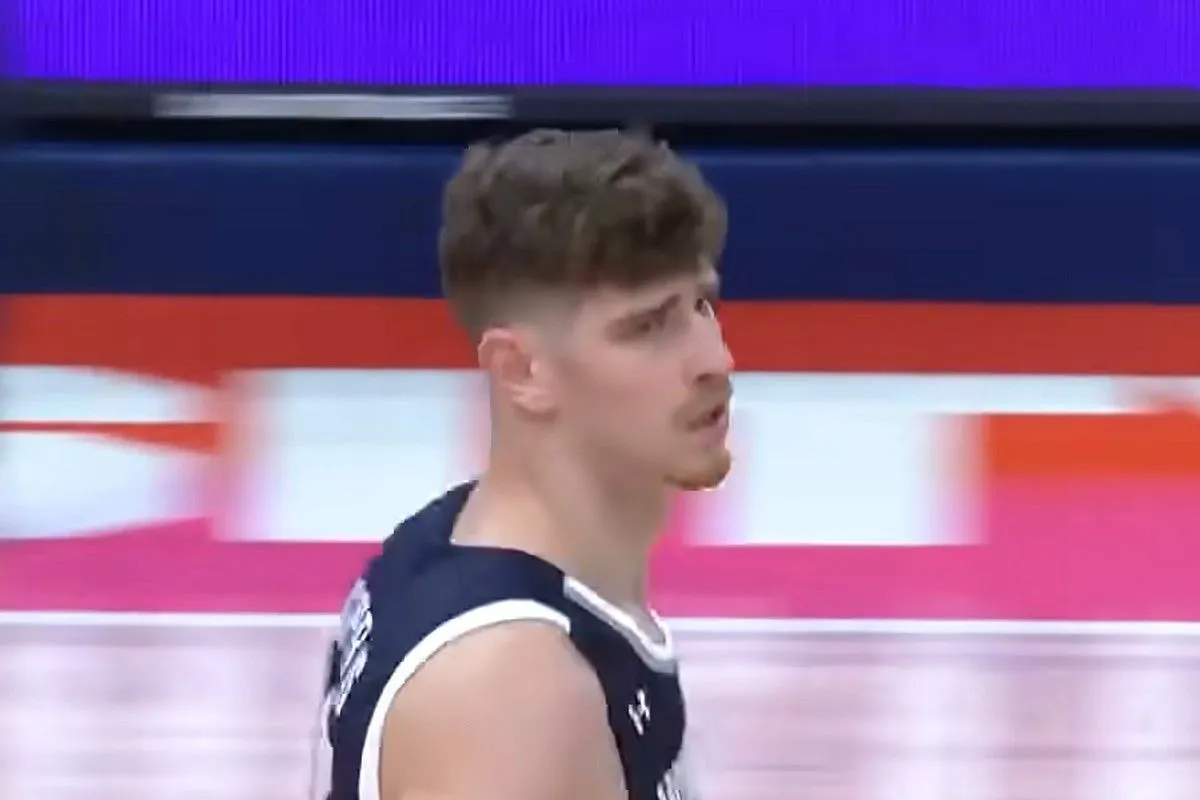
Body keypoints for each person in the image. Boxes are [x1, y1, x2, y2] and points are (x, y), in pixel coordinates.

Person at [323, 128, 733, 800]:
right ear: (522, 372)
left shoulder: (453, 540)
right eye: (649, 327)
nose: (715, 360)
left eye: (702, 305)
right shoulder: (510, 690)